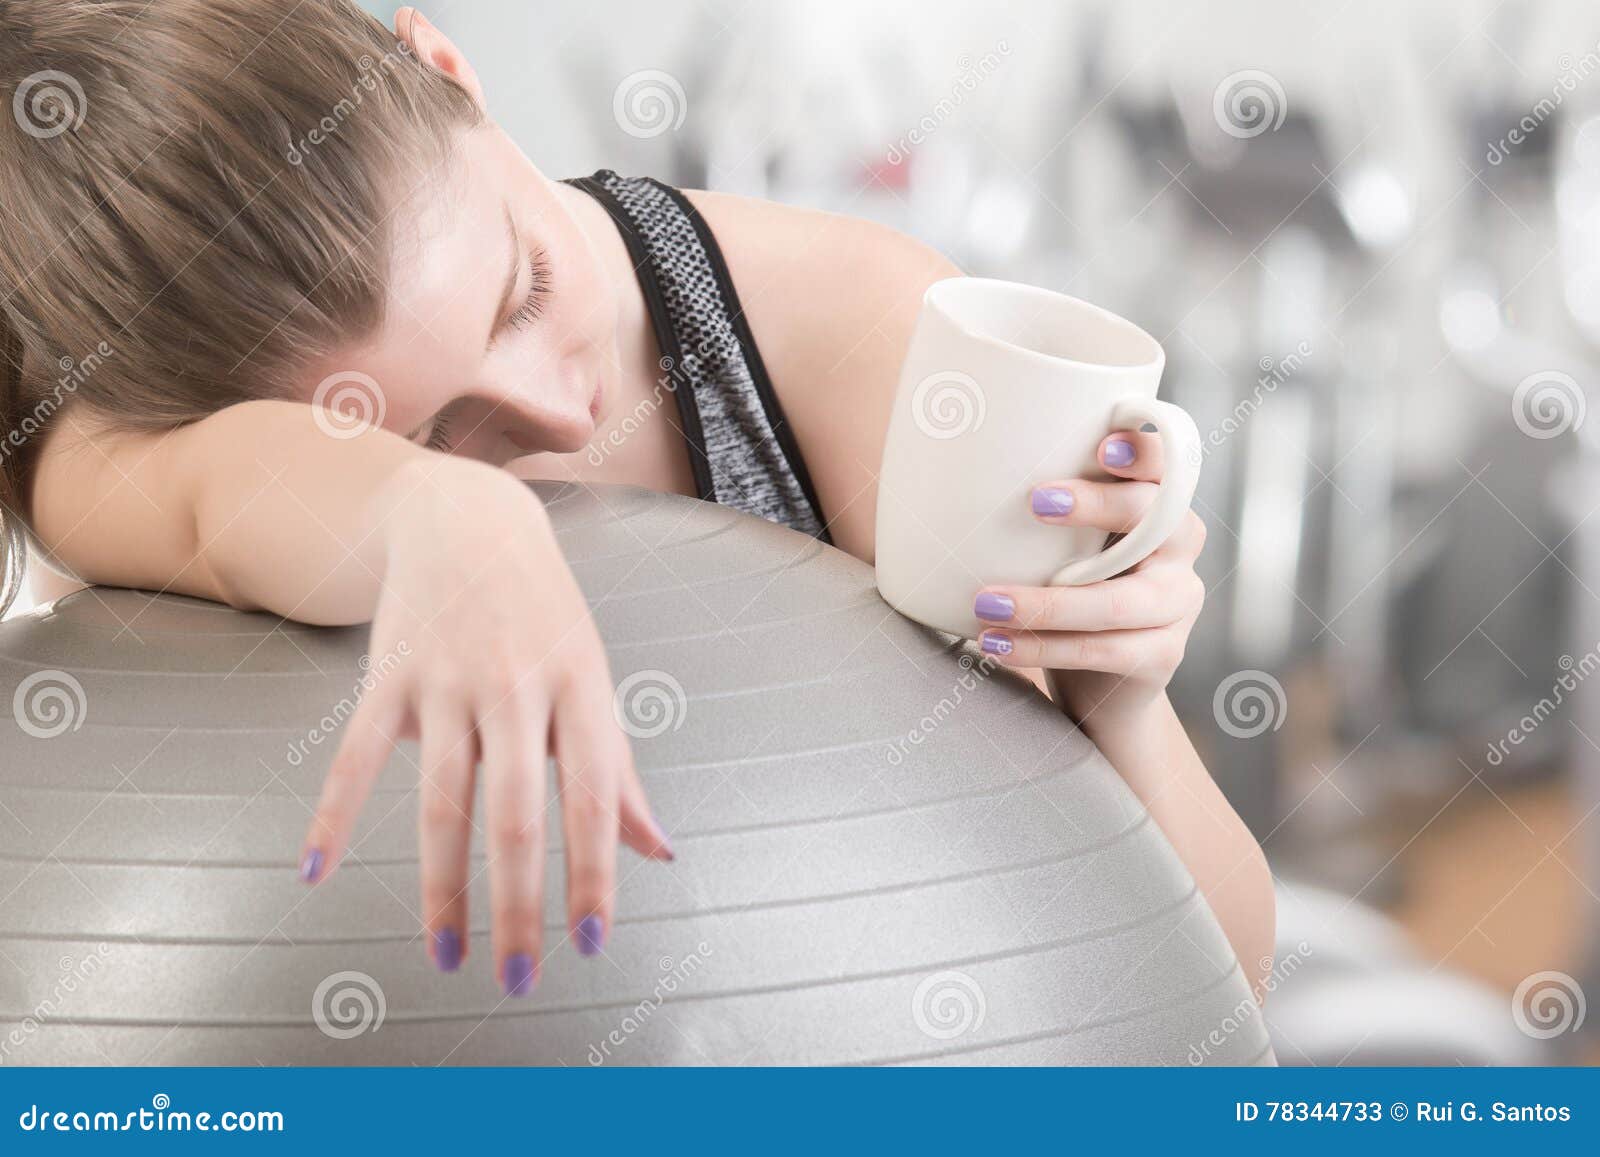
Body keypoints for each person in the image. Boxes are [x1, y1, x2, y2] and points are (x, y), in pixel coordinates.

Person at [0, 0, 1272, 998]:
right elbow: (180, 491)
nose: (552, 417)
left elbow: (1221, 992)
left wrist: (1123, 701)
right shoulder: (123, 451)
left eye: (524, 291)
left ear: (446, 66)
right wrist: (442, 514)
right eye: (429, 430)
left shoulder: (848, 334)